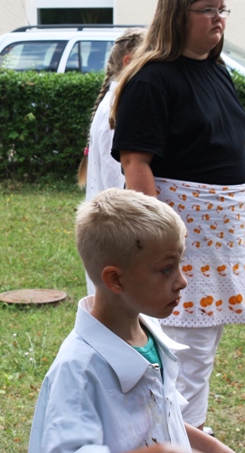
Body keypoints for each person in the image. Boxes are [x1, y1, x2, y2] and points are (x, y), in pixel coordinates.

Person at [111, 0, 245, 434]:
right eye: (207, 10)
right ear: (177, 14)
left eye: (222, 9)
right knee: (180, 345)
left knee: (202, 346)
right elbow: (136, 162)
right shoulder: (153, 79)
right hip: (185, 243)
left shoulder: (215, 69)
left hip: (222, 245)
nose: (218, 19)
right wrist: (157, 244)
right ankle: (174, 434)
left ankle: (189, 429)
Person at [29, 188, 233, 453]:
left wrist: (212, 446)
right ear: (115, 280)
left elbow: (161, 414)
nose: (182, 281)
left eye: (180, 263)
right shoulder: (78, 371)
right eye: (166, 269)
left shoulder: (148, 331)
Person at [81, 27, 145, 295]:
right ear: (129, 62)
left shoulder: (115, 101)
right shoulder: (117, 109)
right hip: (115, 231)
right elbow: (116, 179)